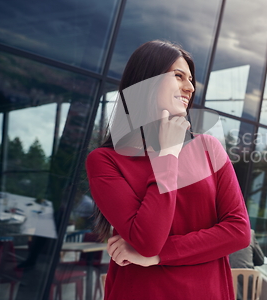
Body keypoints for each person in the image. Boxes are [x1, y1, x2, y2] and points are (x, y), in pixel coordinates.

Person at [86, 40, 251, 300]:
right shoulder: (105, 160)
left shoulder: (208, 148)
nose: (190, 87)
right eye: (178, 76)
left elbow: (239, 232)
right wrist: (168, 155)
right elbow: (147, 240)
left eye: (191, 79)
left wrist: (159, 256)